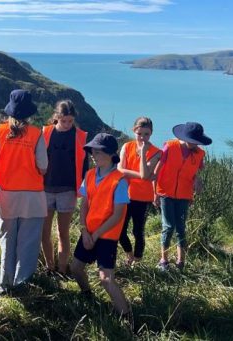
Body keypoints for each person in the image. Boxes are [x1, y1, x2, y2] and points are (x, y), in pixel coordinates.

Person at [0, 89, 48, 294]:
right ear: (29, 113)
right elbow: (43, 166)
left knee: (7, 242)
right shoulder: (36, 133)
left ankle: (5, 285)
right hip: (32, 196)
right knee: (28, 244)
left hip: (7, 195)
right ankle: (22, 285)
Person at [70, 133, 130, 316]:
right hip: (89, 232)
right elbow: (84, 206)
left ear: (111, 154)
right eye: (92, 152)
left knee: (105, 279)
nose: (93, 156)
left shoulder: (119, 180)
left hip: (107, 236)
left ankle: (127, 317)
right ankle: (87, 294)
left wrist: (95, 235)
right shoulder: (89, 175)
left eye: (97, 152)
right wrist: (84, 230)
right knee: (75, 268)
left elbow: (118, 215)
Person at [153, 122, 211, 271]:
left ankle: (181, 263)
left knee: (181, 228)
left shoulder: (199, 154)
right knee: (168, 226)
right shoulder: (170, 147)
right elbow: (157, 171)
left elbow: (196, 172)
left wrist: (197, 180)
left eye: (196, 141)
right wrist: (155, 193)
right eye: (192, 140)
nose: (194, 144)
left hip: (184, 195)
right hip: (165, 192)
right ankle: (163, 261)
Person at [41, 100, 87, 276]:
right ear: (56, 117)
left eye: (70, 120)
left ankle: (61, 268)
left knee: (63, 232)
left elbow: (84, 165)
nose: (67, 124)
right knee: (44, 231)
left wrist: (82, 189)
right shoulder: (45, 132)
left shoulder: (80, 135)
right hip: (45, 188)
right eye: (63, 120)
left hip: (68, 189)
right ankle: (49, 266)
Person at [117, 117, 161, 266]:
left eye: (146, 134)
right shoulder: (126, 146)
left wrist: (142, 153)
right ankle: (130, 255)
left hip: (142, 198)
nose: (142, 137)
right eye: (139, 133)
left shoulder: (156, 152)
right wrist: (144, 176)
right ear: (134, 130)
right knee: (120, 231)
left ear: (151, 134)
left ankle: (137, 261)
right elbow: (120, 170)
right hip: (125, 195)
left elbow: (143, 174)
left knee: (138, 231)